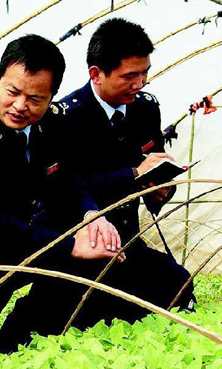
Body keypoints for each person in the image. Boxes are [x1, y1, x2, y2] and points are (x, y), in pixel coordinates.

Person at [0, 34, 124, 356]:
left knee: (80, 268)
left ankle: (17, 349)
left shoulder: (51, 123)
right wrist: (69, 245)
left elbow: (66, 177)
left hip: (16, 243)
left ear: (51, 96)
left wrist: (90, 214)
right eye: (13, 92)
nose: (21, 106)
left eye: (35, 98)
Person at [55, 18, 195, 325]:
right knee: (83, 314)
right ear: (96, 74)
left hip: (127, 240)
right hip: (82, 243)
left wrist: (159, 190)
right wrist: (132, 175)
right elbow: (67, 188)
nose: (140, 83)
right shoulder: (67, 117)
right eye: (130, 76)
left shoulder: (145, 108)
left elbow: (152, 164)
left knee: (177, 284)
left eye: (145, 73)